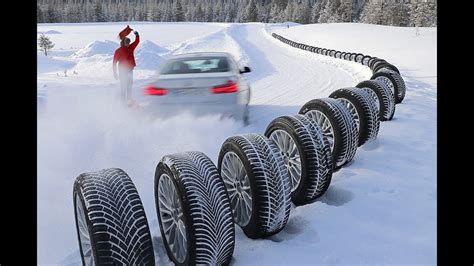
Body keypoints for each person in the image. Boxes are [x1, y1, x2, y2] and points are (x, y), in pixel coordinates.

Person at [113, 29, 140, 107]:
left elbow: (136, 42)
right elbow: (114, 62)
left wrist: (137, 35)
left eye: (129, 42)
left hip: (130, 70)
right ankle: (122, 103)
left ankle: (129, 101)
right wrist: (115, 72)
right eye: (126, 43)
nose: (128, 44)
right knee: (123, 86)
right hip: (122, 71)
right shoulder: (118, 51)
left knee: (129, 85)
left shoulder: (131, 47)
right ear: (123, 43)